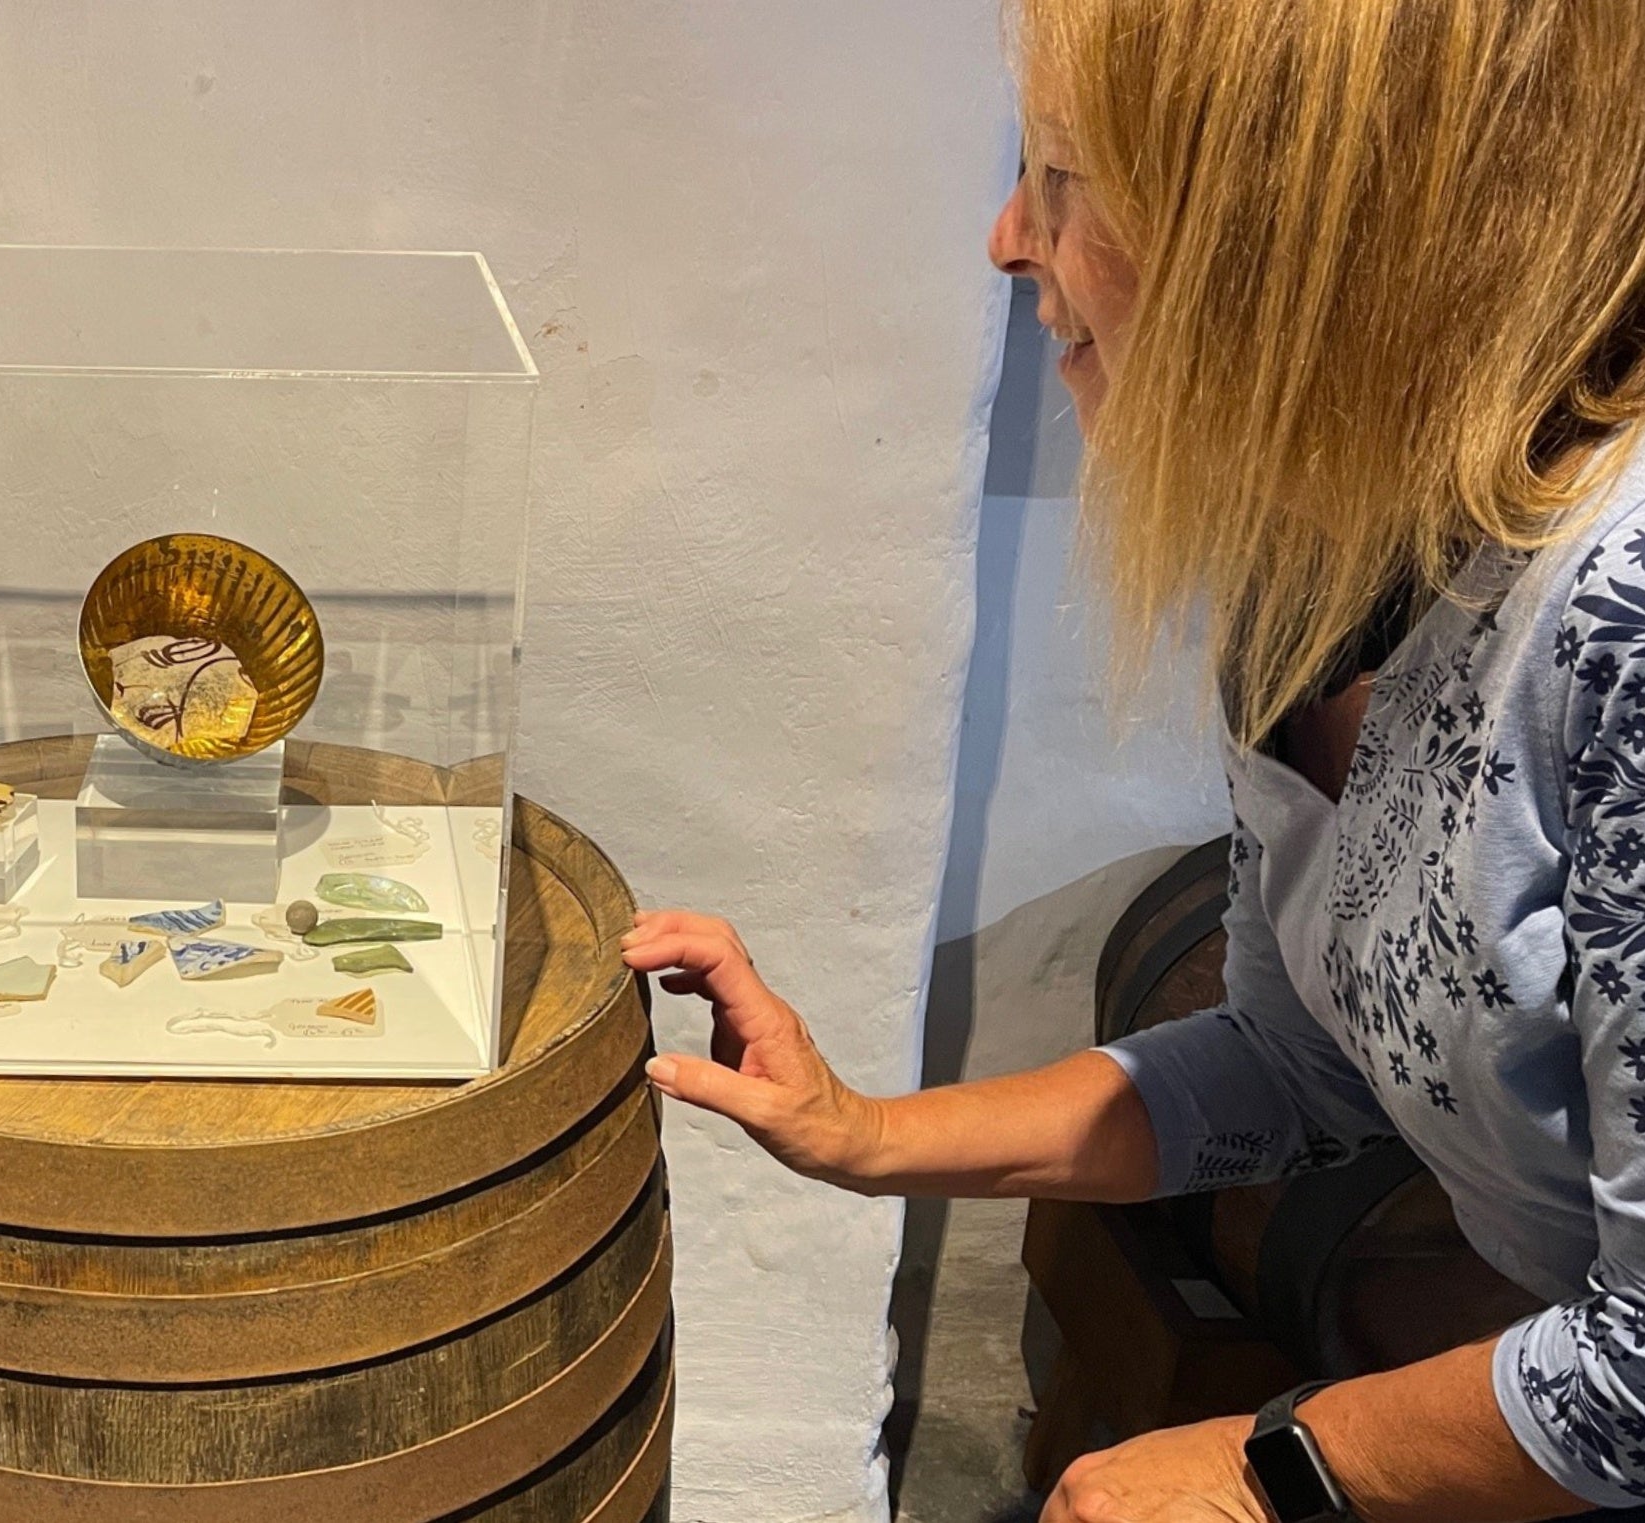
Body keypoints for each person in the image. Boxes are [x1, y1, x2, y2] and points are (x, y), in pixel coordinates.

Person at [628, 2, 1645, 1519]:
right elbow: (1294, 1068)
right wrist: (859, 1134)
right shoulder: (1318, 571)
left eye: (1059, 177)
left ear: (1300, 223)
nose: (1001, 240)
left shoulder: (1615, 626)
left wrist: (1270, 1476)